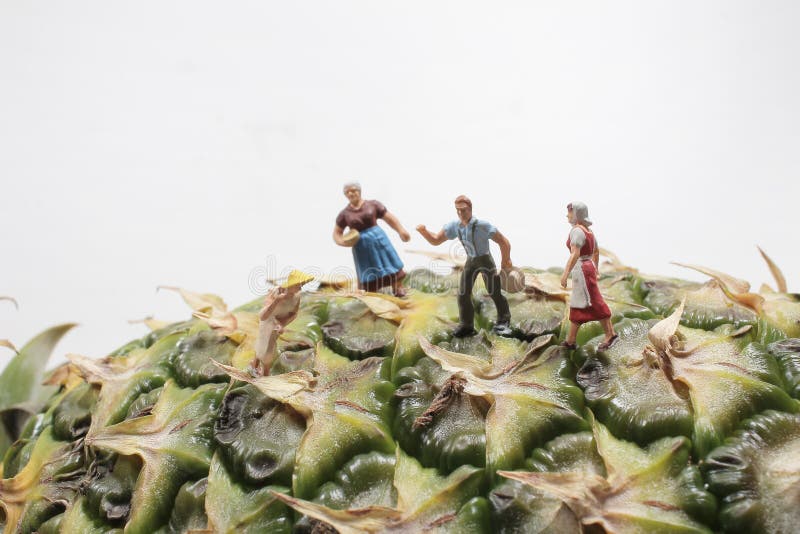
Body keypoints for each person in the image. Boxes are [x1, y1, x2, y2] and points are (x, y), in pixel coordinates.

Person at [416, 195, 513, 337]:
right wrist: (424, 232)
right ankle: (467, 325)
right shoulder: (455, 226)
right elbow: (436, 240)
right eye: (458, 211)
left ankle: (503, 322)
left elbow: (503, 241)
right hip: (471, 261)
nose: (461, 213)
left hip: (485, 260)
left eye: (464, 210)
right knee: (462, 293)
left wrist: (506, 261)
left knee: (494, 291)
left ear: (470, 209)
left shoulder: (483, 226)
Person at [333, 182, 411, 297]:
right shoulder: (345, 214)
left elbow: (389, 218)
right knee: (368, 270)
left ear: (359, 191)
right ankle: (372, 295)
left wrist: (401, 230)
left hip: (379, 240)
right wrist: (342, 242)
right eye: (347, 192)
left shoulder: (373, 204)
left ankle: (398, 288)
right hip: (361, 246)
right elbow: (337, 233)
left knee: (389, 263)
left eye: (353, 190)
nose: (351, 193)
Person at [559, 202, 618, 350]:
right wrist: (595, 268)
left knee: (593, 301)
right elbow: (596, 251)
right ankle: (571, 340)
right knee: (579, 302)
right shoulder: (589, 231)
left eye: (570, 213)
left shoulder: (577, 231)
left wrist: (565, 274)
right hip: (587, 267)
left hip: (582, 270)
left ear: (578, 214)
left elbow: (575, 254)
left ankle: (610, 334)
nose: (568, 215)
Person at [251, 270, 314, 375]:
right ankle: (264, 373)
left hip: (278, 324)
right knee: (267, 346)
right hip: (267, 321)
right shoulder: (276, 292)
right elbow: (263, 316)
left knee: (267, 345)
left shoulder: (297, 296)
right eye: (299, 284)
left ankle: (255, 364)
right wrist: (277, 301)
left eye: (302, 284)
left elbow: (294, 314)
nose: (301, 287)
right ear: (292, 284)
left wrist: (281, 324)